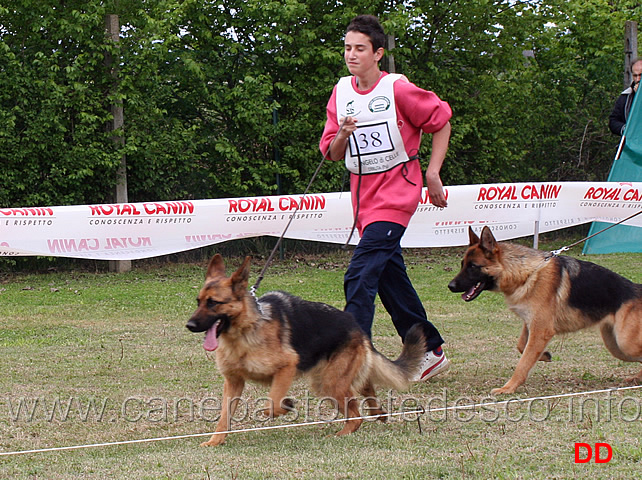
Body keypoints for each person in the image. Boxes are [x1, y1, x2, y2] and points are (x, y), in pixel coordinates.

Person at [319, 14, 452, 381]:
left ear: (378, 53)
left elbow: (441, 121)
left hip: (398, 195)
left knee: (359, 275)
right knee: (391, 279)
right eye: (347, 48)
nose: (351, 55)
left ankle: (351, 358)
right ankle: (430, 348)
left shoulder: (398, 90)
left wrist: (432, 173)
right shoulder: (341, 93)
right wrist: (343, 134)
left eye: (360, 48)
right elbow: (331, 153)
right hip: (364, 200)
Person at [608, 59, 642, 136]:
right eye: (635, 75)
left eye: (640, 75)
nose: (638, 79)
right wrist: (626, 129)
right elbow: (613, 121)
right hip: (632, 144)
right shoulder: (626, 96)